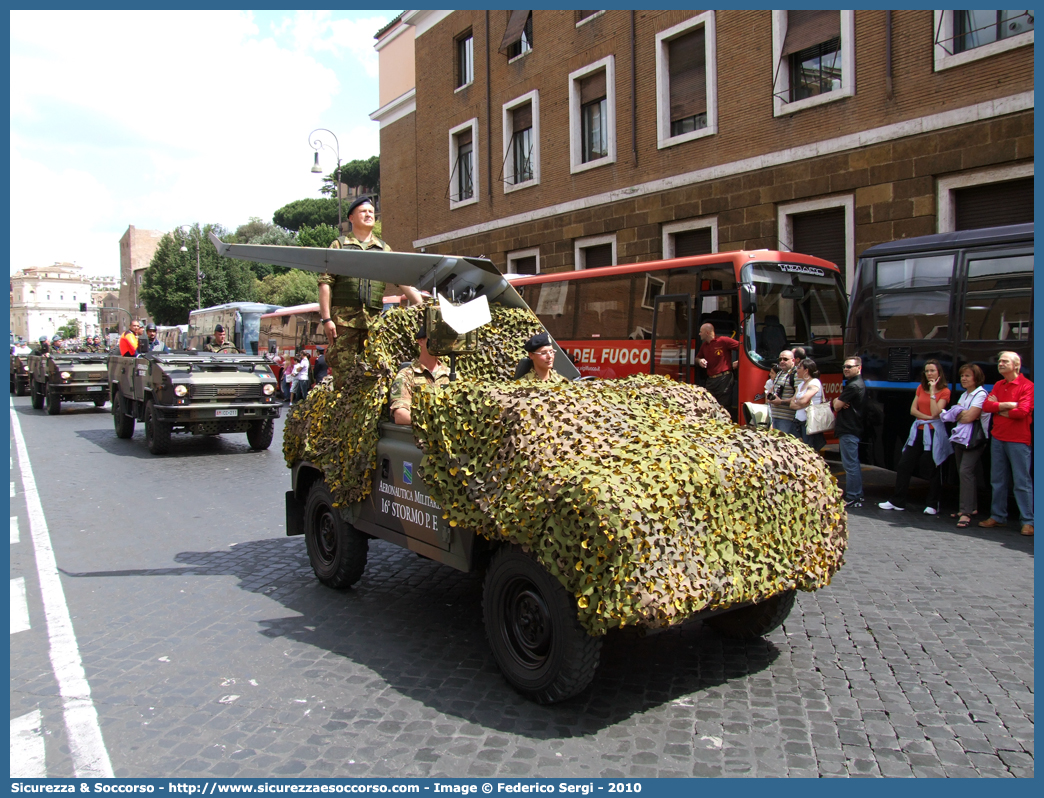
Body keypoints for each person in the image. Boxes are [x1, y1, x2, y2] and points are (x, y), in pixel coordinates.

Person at [317, 196, 423, 385]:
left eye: (371, 212)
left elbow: (400, 278)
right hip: (343, 324)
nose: (368, 215)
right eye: (363, 211)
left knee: (372, 378)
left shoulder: (383, 249)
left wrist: (420, 304)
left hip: (373, 324)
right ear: (351, 217)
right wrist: (326, 319)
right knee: (344, 377)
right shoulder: (339, 246)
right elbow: (325, 283)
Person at [879, 359, 953, 514]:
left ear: (939, 373)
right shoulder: (920, 388)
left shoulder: (945, 391)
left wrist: (933, 393)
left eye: (932, 371)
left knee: (932, 467)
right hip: (919, 430)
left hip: (934, 432)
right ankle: (897, 501)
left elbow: (936, 412)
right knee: (904, 464)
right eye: (927, 371)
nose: (929, 374)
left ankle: (932, 504)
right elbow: (913, 410)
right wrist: (927, 417)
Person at [978, 351, 1033, 536]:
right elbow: (986, 406)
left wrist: (999, 407)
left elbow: (1022, 412)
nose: (1000, 363)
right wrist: (1010, 405)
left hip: (1018, 440)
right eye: (999, 361)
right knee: (997, 480)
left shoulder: (1028, 386)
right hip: (999, 438)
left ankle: (1028, 521)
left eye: (1005, 361)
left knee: (1022, 482)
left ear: (1016, 365)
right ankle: (998, 516)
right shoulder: (998, 384)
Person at [938, 364, 991, 529]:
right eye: (962, 376)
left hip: (974, 439)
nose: (964, 379)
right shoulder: (965, 395)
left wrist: (960, 414)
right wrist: (962, 414)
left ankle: (966, 512)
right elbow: (960, 415)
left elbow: (967, 416)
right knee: (966, 473)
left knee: (965, 471)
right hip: (961, 438)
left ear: (976, 378)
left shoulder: (980, 394)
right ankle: (971, 507)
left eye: (967, 376)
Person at [388, 325, 451, 425]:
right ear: (421, 341)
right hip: (418, 437)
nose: (439, 343)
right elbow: (400, 415)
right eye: (434, 338)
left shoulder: (450, 375)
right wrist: (431, 424)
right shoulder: (407, 375)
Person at [832, 356, 867, 508]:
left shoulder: (853, 386)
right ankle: (856, 495)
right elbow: (839, 403)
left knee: (850, 464)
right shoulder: (855, 384)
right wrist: (838, 401)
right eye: (844, 366)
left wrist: (836, 401)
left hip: (849, 429)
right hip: (851, 428)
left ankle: (853, 495)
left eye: (849, 367)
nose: (846, 369)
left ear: (859, 368)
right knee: (852, 463)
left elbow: (837, 405)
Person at [695, 322, 739, 410]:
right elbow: (697, 358)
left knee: (723, 407)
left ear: (707, 332)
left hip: (724, 379)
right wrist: (700, 361)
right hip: (711, 380)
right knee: (708, 405)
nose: (699, 334)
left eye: (701, 332)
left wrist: (739, 362)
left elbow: (743, 348)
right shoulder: (704, 346)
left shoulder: (723, 341)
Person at [789, 358, 827, 451]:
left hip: (809, 424)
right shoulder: (800, 384)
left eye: (799, 367)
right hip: (798, 422)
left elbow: (803, 400)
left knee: (809, 451)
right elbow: (791, 404)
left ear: (806, 370)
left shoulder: (814, 382)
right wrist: (803, 404)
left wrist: (801, 403)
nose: (796, 370)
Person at [767, 350, 800, 437]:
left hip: (787, 418)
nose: (782, 361)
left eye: (785, 359)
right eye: (780, 359)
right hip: (775, 416)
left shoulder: (796, 374)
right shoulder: (779, 373)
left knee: (784, 443)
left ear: (793, 360)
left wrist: (781, 402)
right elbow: (774, 389)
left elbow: (797, 397)